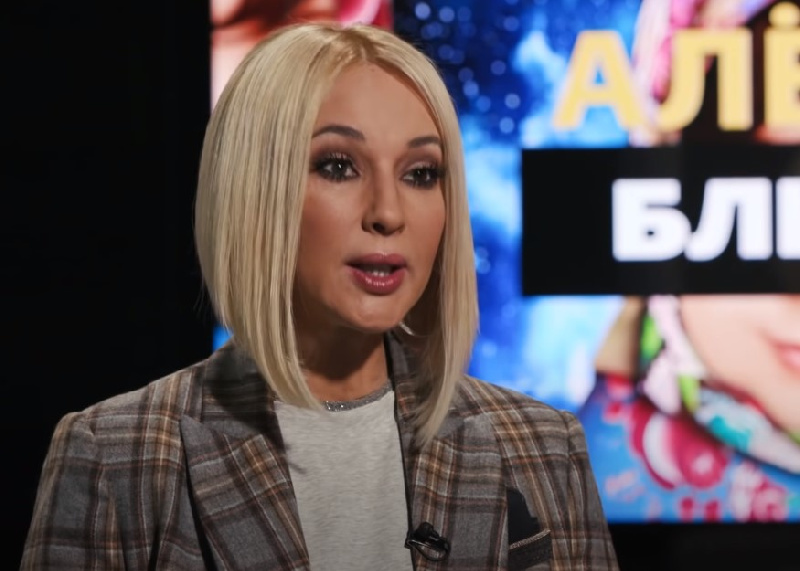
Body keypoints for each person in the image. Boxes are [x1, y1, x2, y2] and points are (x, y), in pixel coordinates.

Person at [21, 23, 618, 570]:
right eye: (337, 166)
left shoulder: (544, 445)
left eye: (421, 173)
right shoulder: (115, 456)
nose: (388, 213)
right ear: (256, 188)